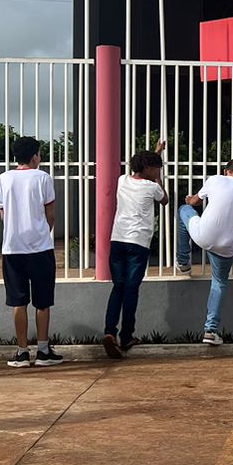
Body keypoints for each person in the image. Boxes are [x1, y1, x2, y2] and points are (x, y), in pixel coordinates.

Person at [0, 136, 62, 368]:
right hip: (40, 248)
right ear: (35, 156)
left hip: (12, 248)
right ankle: (43, 350)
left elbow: (2, 213)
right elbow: (50, 213)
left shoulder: (3, 178)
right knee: (43, 301)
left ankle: (22, 352)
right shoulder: (43, 178)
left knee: (18, 302)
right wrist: (43, 231)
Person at [178, 158, 233, 347]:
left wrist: (189, 200)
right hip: (226, 245)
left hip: (203, 235)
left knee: (184, 210)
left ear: (225, 171)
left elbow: (195, 201)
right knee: (219, 283)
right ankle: (210, 331)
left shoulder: (214, 180)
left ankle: (183, 261)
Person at [104, 145, 168, 359]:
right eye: (157, 168)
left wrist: (155, 153)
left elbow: (143, 164)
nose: (159, 172)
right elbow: (165, 199)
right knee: (131, 290)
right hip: (138, 243)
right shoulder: (152, 188)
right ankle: (126, 336)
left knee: (118, 288)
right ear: (149, 168)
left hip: (118, 240)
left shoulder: (123, 181)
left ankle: (109, 333)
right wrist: (158, 179)